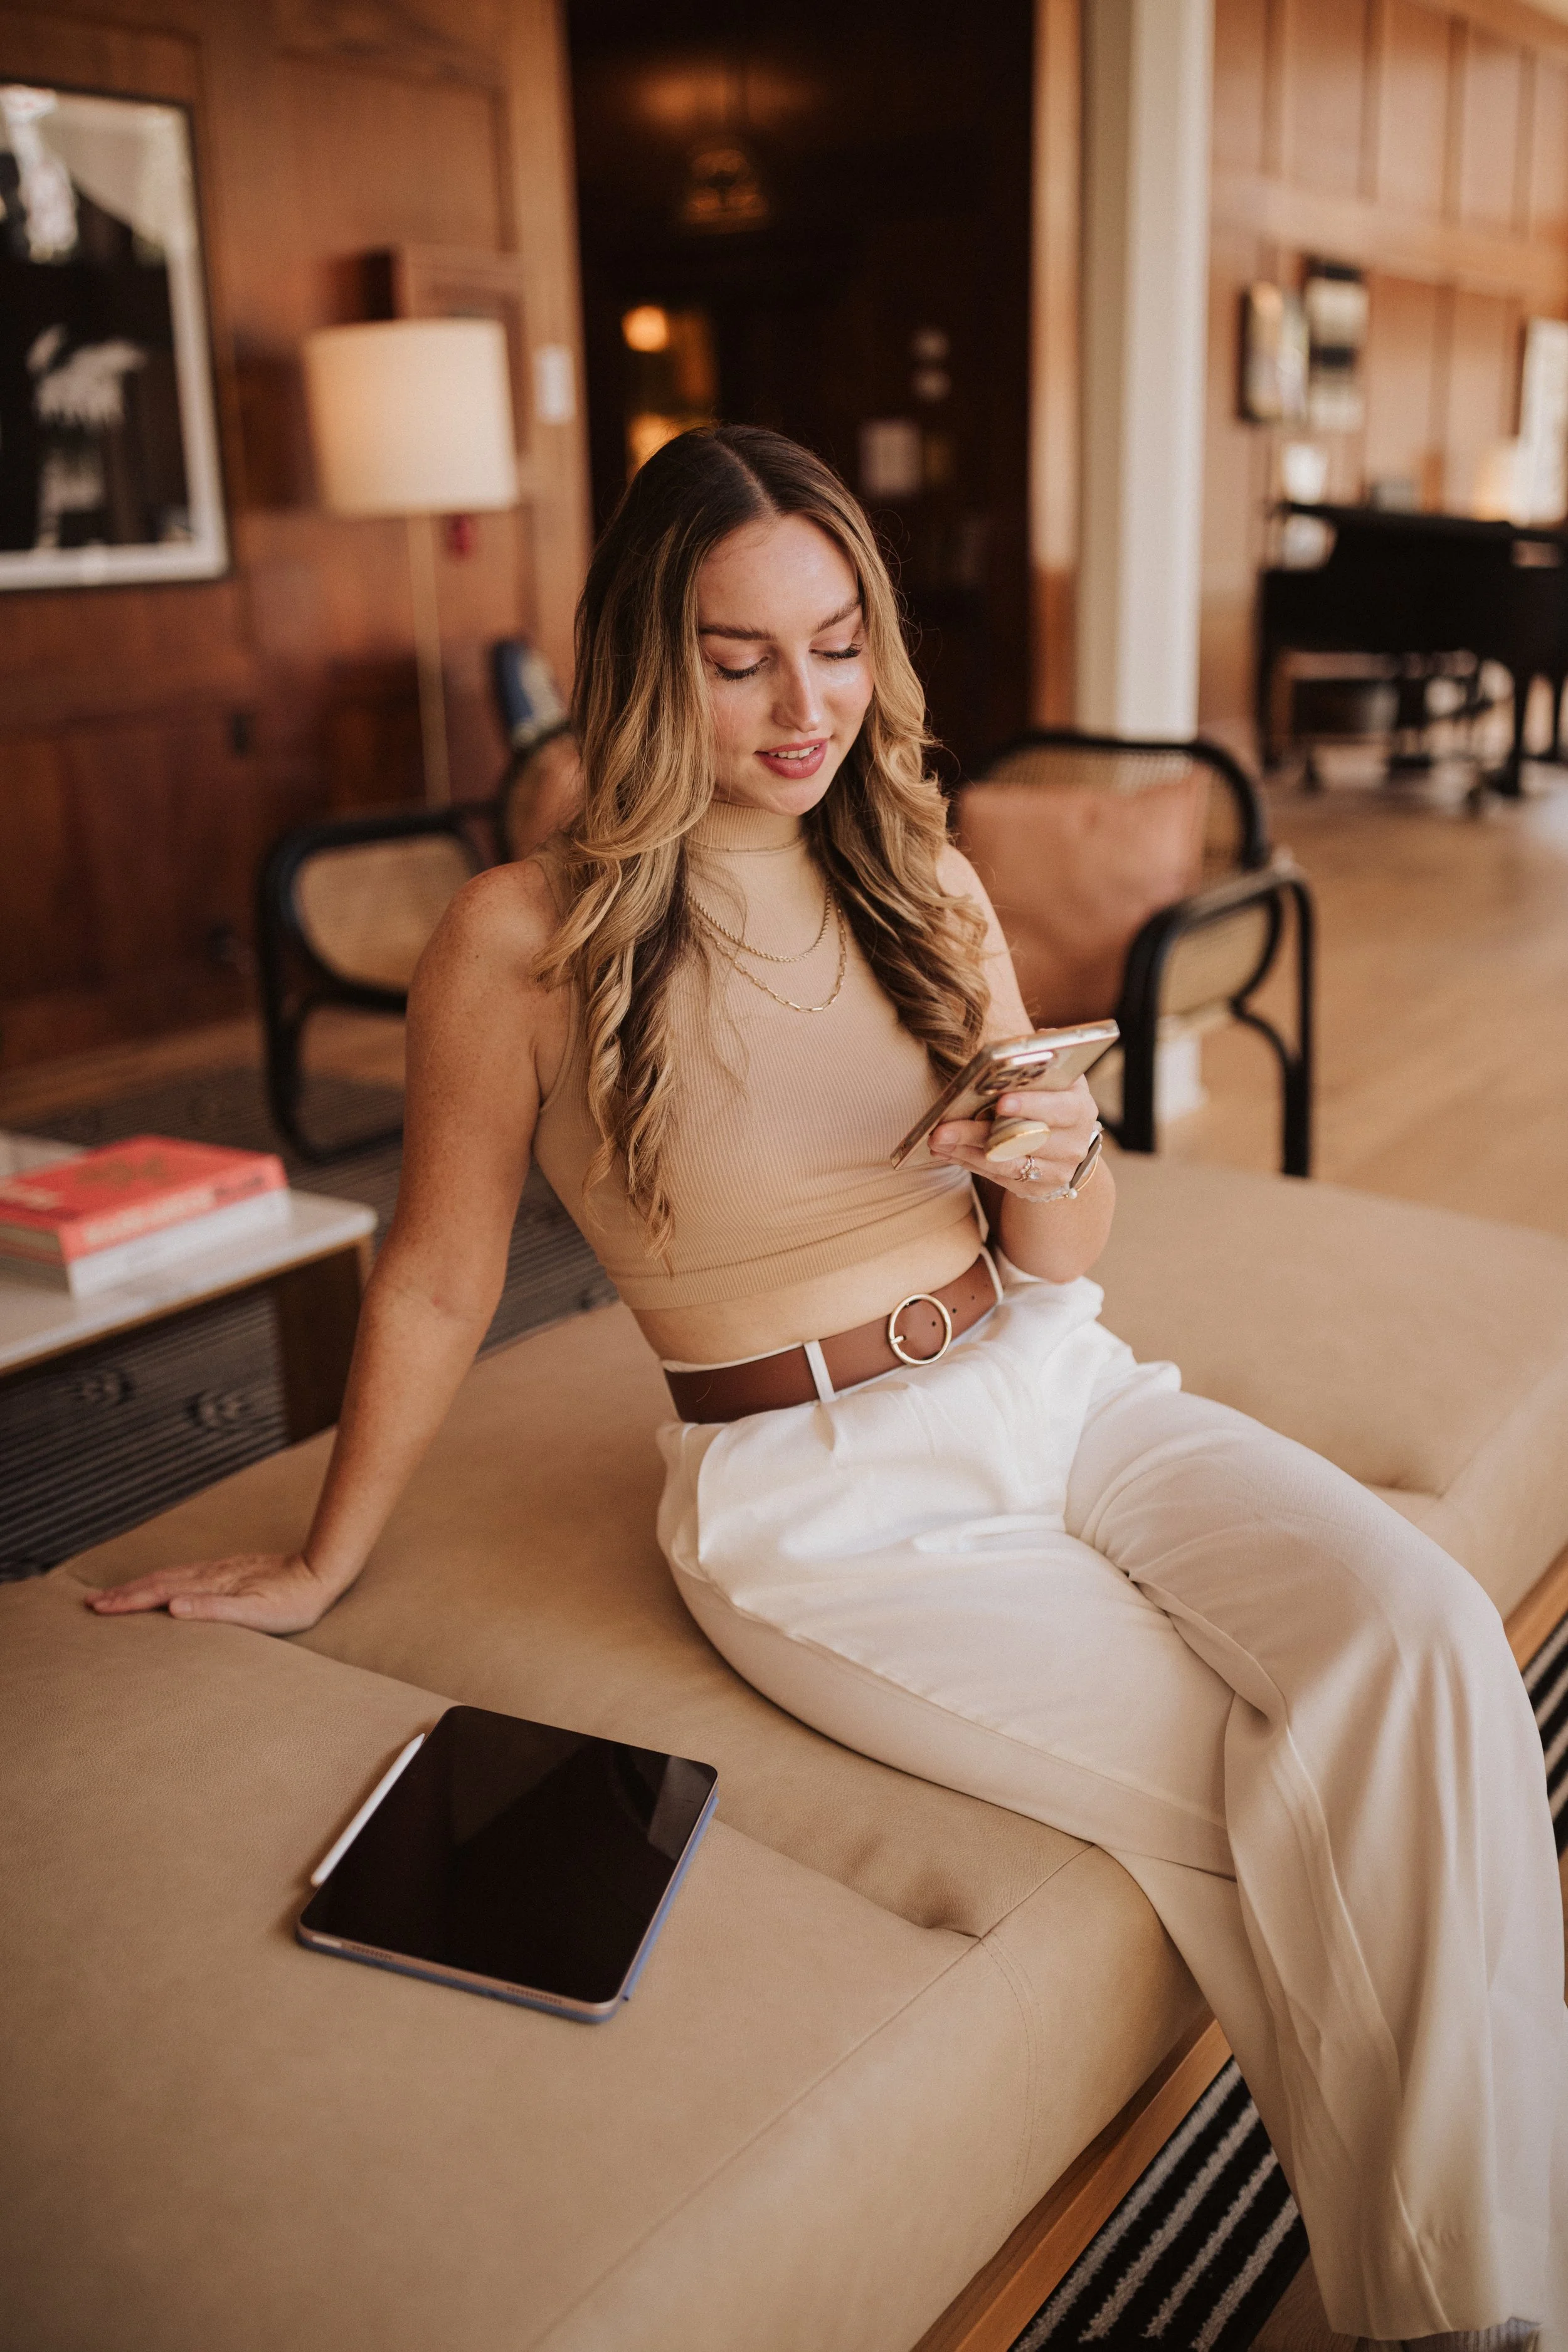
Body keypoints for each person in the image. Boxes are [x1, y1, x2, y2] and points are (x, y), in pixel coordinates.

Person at [94, 424, 1563, 2352]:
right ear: (647, 659)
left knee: (1424, 1638)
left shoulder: (917, 872)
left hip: (1052, 1380)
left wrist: (1049, 1155)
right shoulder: (520, 940)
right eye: (741, 655)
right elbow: (441, 1276)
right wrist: (315, 1554)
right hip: (821, 1503)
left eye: (839, 637)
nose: (808, 702)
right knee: (1284, 1786)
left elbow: (1064, 1242)